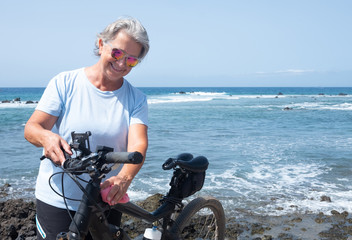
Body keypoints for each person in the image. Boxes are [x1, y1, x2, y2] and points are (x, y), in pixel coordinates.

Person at [24, 17, 150, 239]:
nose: (122, 64)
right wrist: (46, 137)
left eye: (131, 60)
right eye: (118, 53)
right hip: (57, 198)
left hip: (105, 198)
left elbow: (138, 144)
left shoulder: (136, 99)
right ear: (101, 44)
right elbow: (33, 127)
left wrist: (124, 178)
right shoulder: (65, 83)